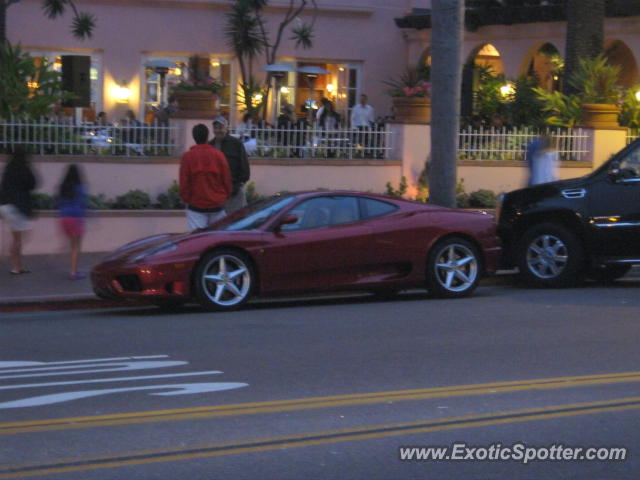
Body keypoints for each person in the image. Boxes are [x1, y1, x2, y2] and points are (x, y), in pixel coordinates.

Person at [179, 123, 232, 231]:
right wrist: (224, 195)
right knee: (218, 240)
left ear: (194, 137)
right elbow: (226, 179)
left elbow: (184, 183)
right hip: (217, 204)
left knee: (197, 241)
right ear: (208, 136)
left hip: (196, 205)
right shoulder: (218, 155)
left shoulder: (188, 157)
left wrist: (187, 199)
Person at [0, 146, 37, 275]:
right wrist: (32, 167)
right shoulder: (24, 168)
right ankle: (9, 258)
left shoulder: (8, 168)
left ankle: (17, 267)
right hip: (17, 207)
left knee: (17, 237)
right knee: (24, 234)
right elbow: (33, 184)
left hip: (5, 206)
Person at [209, 116, 251, 213]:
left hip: (234, 193)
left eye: (220, 127)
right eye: (216, 128)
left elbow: (244, 167)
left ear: (226, 128)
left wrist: (238, 185)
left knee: (237, 222)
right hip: (216, 193)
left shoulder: (236, 144)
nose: (218, 130)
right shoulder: (210, 145)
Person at [57, 164, 88, 279]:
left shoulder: (62, 187)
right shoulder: (80, 187)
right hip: (75, 218)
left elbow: (59, 203)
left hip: (64, 218)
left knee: (71, 246)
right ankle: (74, 272)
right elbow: (83, 203)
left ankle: (73, 268)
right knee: (76, 247)